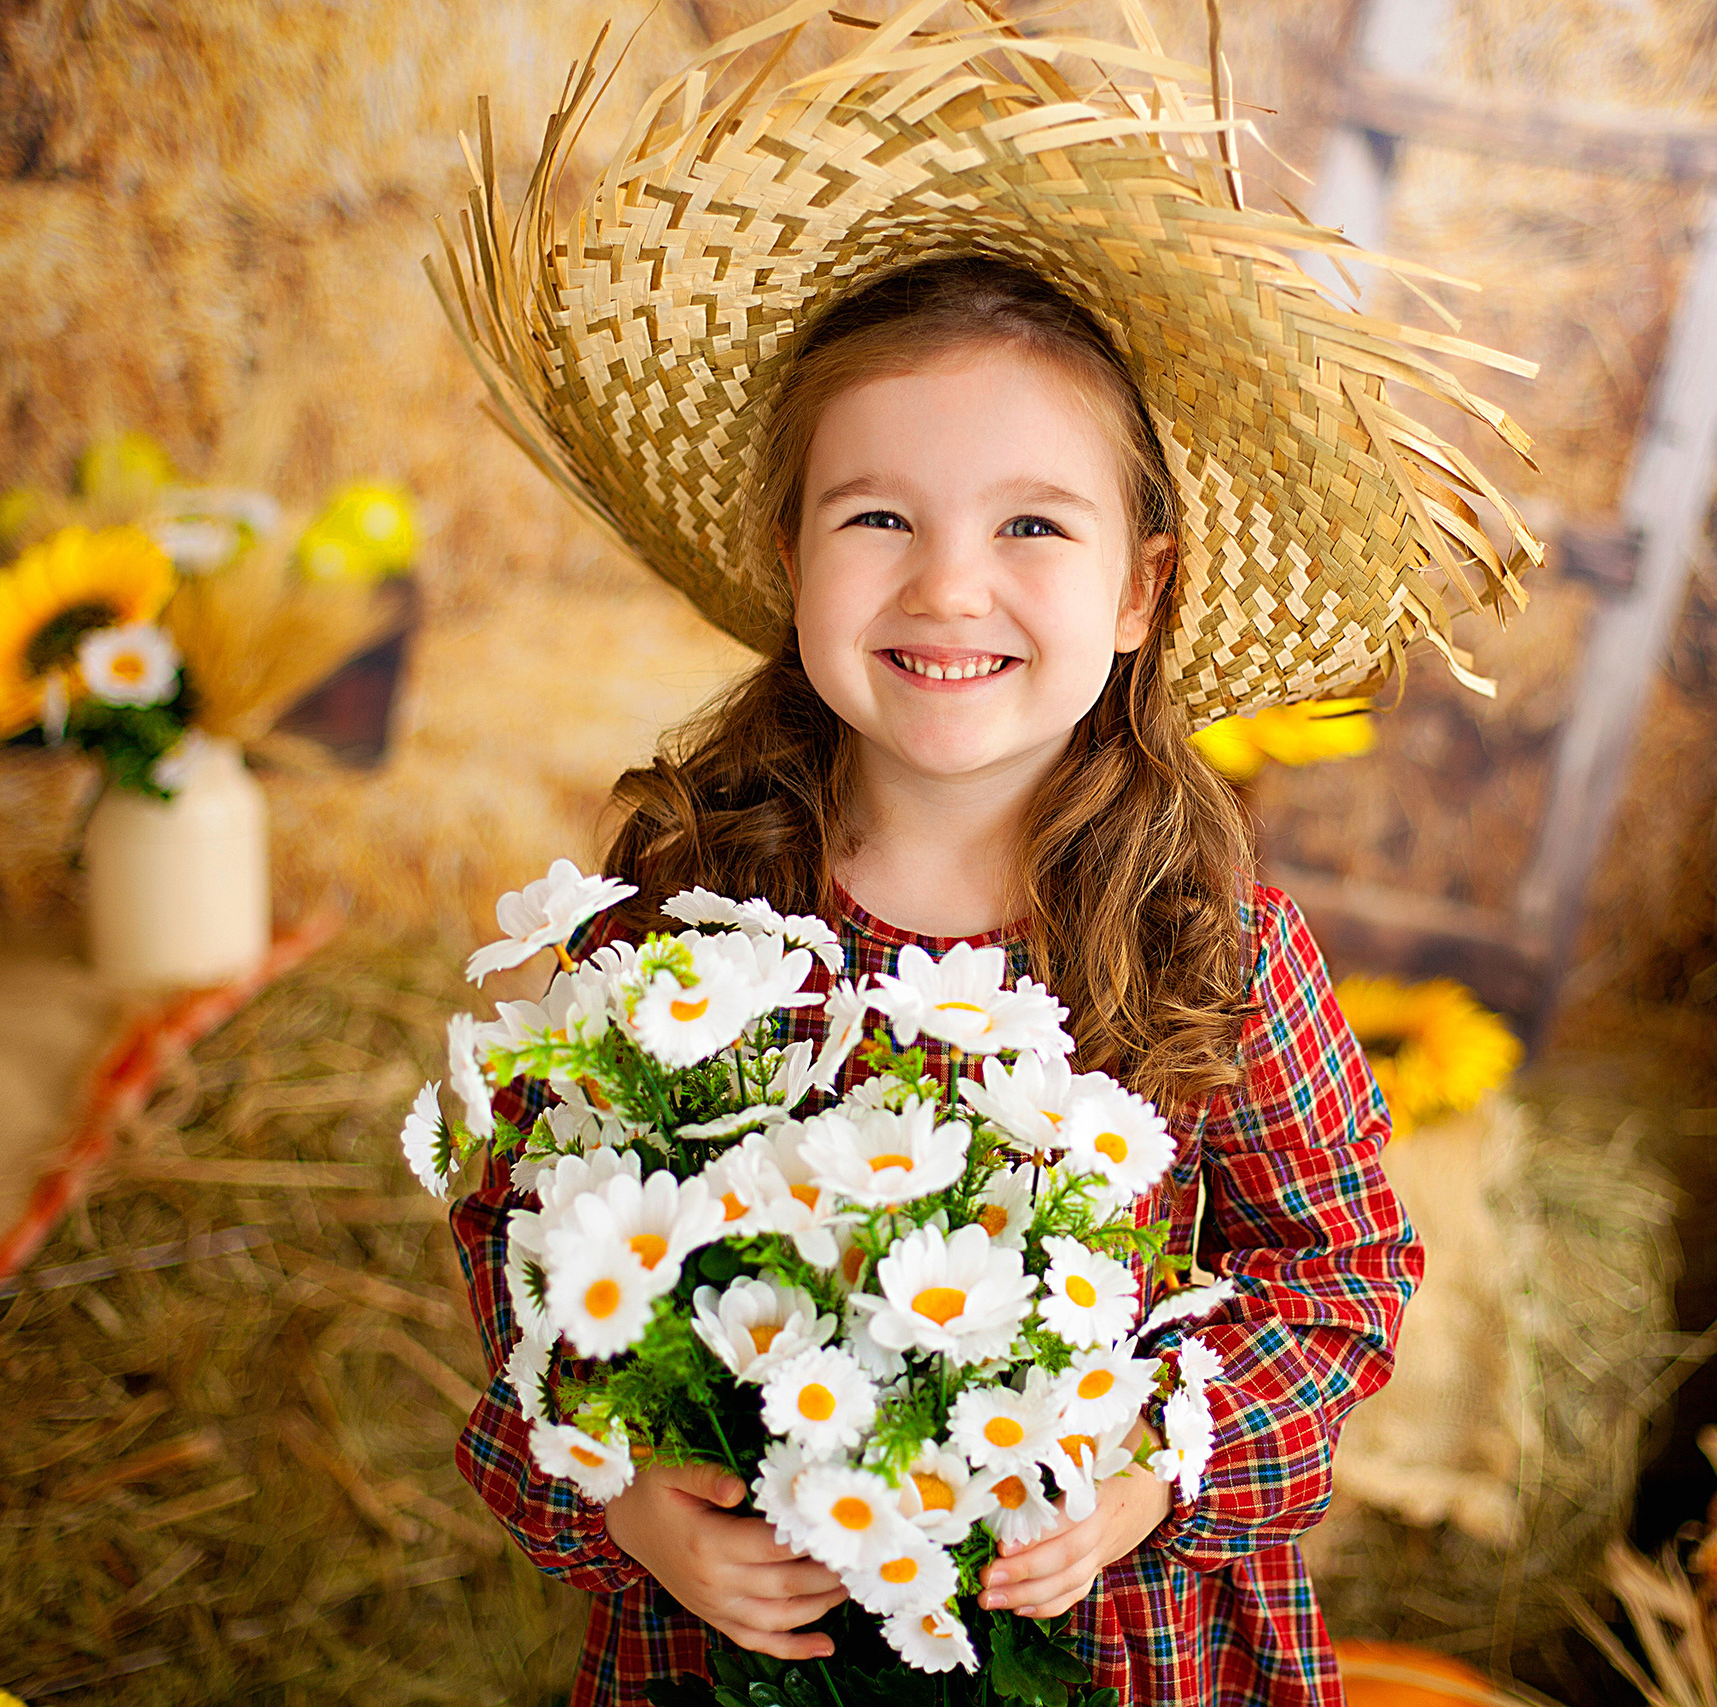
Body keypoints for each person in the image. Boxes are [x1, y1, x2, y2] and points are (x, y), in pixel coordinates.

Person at [436, 10, 1539, 1703]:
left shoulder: (1209, 944)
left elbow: (1341, 1281)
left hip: (1106, 1642)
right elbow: (525, 1253)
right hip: (744, 1646)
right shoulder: (679, 925)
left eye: (1032, 523)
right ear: (788, 556)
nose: (950, 586)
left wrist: (1149, 1474)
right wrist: (635, 1504)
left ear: (1139, 589)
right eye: (878, 516)